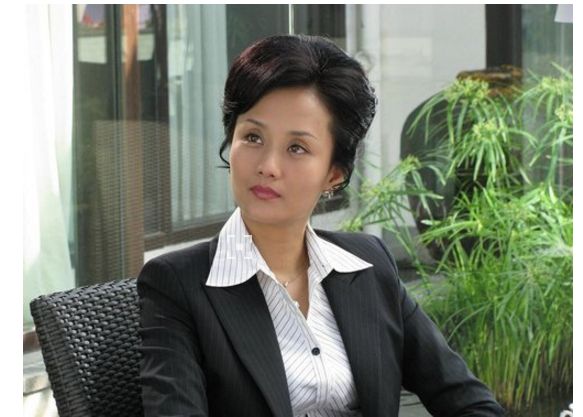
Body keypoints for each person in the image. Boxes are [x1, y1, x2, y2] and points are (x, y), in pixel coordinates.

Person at [137, 34, 505, 417]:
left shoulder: (368, 263)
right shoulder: (177, 283)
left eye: (297, 148)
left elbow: (467, 400)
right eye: (252, 137)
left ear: (334, 173)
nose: (268, 166)